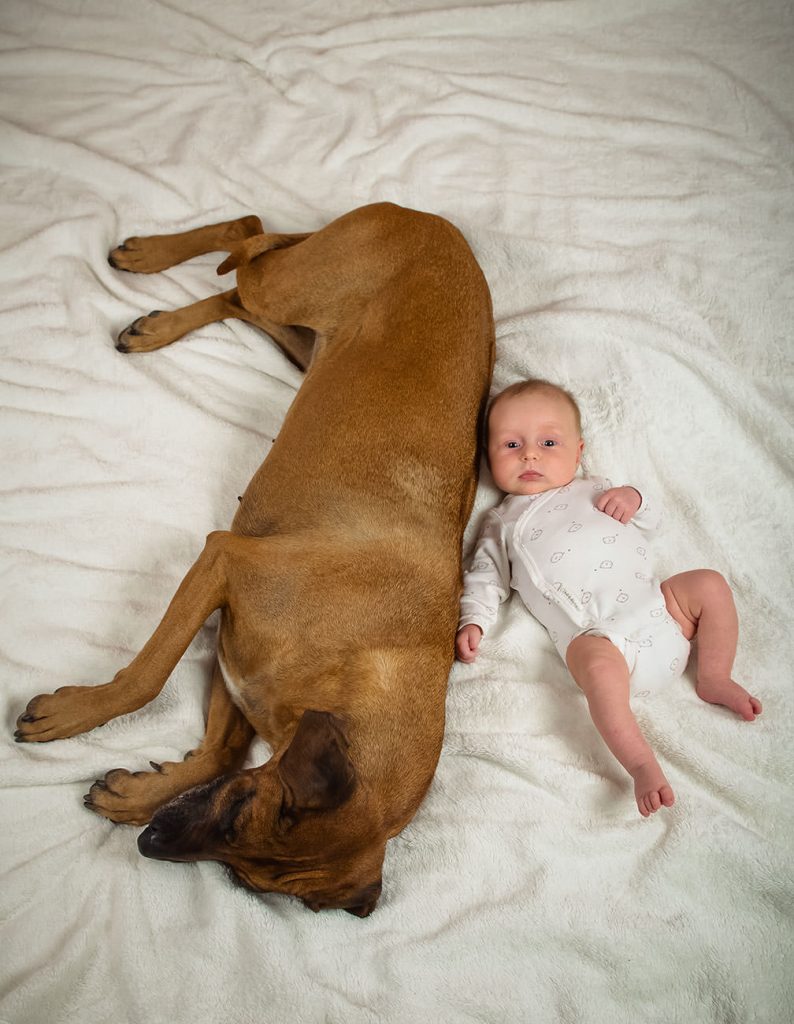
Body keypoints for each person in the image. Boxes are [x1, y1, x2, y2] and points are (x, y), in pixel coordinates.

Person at [456, 378, 762, 817]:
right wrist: (474, 620)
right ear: (488, 457)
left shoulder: (599, 487)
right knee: (596, 669)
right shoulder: (502, 523)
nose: (530, 455)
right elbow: (485, 578)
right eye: (511, 445)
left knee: (710, 584)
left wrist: (635, 499)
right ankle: (640, 764)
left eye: (548, 442)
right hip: (600, 637)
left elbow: (653, 522)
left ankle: (714, 676)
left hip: (664, 610)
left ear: (578, 452)